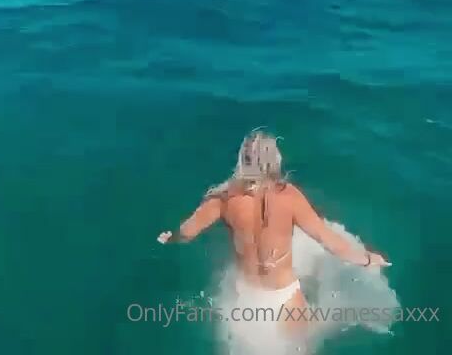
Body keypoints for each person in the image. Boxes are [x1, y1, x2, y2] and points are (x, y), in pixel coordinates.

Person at [157, 129, 391, 340]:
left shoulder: (224, 199)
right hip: (285, 299)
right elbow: (327, 240)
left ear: (242, 161)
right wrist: (367, 259)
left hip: (245, 296)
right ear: (274, 160)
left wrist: (171, 237)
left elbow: (187, 232)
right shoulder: (289, 197)